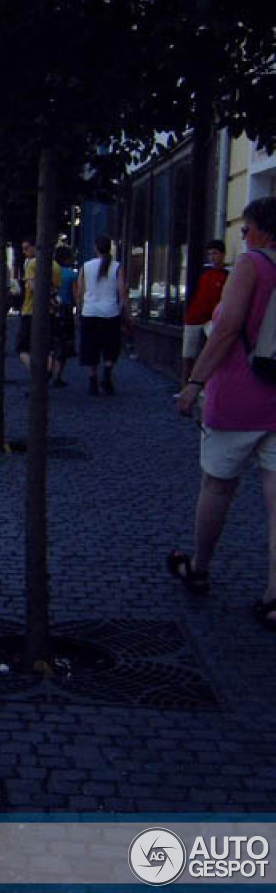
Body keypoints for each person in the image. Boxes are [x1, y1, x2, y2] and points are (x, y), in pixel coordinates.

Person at [171, 197, 276, 629]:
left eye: (245, 229)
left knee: (217, 487)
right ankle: (273, 597)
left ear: (259, 231)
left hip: (239, 395)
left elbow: (229, 327)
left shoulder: (251, 265)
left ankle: (199, 567)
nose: (243, 236)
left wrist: (194, 382)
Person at [76, 234, 129, 395]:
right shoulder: (117, 267)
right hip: (110, 313)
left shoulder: (86, 267)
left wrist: (79, 309)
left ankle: (92, 379)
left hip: (90, 312)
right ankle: (106, 374)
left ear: (95, 248)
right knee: (110, 346)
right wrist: (126, 311)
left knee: (90, 346)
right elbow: (122, 291)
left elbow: (80, 291)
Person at [182, 239, 230, 386]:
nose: (212, 257)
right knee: (188, 354)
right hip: (194, 317)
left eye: (215, 253)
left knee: (214, 350)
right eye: (209, 254)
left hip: (212, 318)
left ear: (222, 254)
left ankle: (207, 384)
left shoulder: (227, 275)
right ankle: (185, 386)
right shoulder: (204, 273)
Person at [16, 238, 61, 373]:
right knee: (48, 347)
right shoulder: (56, 266)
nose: (24, 252)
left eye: (26, 248)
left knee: (22, 347)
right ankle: (46, 373)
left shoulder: (32, 264)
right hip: (50, 311)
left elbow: (32, 286)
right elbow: (57, 288)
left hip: (30, 310)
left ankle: (38, 374)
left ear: (36, 247)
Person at [50, 246, 78, 387]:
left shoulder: (51, 271)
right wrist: (78, 309)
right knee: (64, 343)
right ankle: (58, 375)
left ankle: (49, 369)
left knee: (51, 342)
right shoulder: (71, 275)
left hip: (51, 308)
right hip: (65, 310)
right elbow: (75, 295)